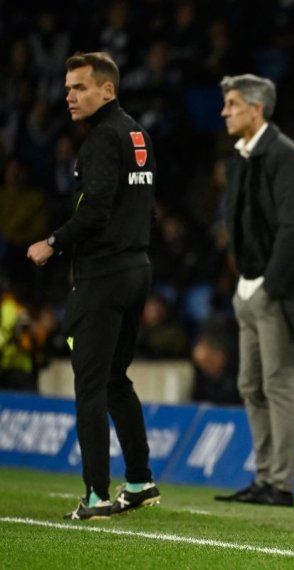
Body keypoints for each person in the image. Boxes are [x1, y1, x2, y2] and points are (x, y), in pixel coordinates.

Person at [26, 52, 161, 520]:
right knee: (114, 379)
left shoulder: (103, 138)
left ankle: (97, 495)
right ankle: (140, 480)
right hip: (136, 267)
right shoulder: (137, 133)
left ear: (108, 90)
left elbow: (98, 207)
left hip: (102, 275)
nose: (69, 96)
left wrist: (53, 242)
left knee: (91, 387)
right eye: (67, 88)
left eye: (79, 87)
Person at [215, 74, 294, 507]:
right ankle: (262, 476)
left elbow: (293, 230)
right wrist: (244, 284)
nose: (225, 112)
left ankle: (280, 484)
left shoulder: (286, 157)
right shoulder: (243, 156)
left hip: (273, 289)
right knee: (250, 384)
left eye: (231, 104)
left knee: (277, 382)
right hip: (247, 286)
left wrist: (268, 286)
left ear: (256, 108)